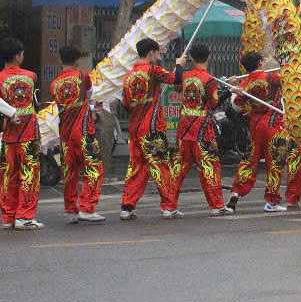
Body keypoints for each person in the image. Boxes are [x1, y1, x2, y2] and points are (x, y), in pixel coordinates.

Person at [120, 38, 183, 221]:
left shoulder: (129, 75)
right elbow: (176, 79)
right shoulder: (153, 70)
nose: (158, 56)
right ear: (151, 53)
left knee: (136, 168)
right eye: (157, 53)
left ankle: (127, 206)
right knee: (161, 166)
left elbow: (125, 104)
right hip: (152, 128)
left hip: (134, 128)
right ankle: (168, 207)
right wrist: (179, 65)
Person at [227, 52, 295, 213]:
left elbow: (237, 105)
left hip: (255, 124)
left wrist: (236, 88)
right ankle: (271, 201)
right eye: (263, 60)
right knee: (275, 162)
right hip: (273, 124)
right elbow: (289, 80)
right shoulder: (270, 77)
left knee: (249, 160)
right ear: (259, 63)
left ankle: (235, 193)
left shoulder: (245, 82)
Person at [49, 45, 105, 223]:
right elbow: (90, 95)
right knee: (94, 167)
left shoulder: (54, 84)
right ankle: (87, 208)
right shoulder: (82, 76)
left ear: (60, 60)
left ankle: (71, 209)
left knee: (70, 172)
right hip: (83, 132)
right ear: (77, 60)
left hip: (65, 134)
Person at [174, 44, 230, 215]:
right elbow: (214, 103)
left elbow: (176, 84)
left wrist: (178, 66)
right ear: (209, 56)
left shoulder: (184, 76)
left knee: (178, 169)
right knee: (210, 167)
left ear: (191, 57)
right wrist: (227, 91)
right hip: (203, 130)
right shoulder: (209, 80)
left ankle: (168, 206)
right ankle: (217, 205)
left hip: (184, 129)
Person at [0, 37, 42, 230]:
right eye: (22, 53)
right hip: (28, 133)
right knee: (30, 173)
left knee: (11, 174)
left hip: (9, 134)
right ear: (18, 55)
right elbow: (34, 105)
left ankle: (8, 217)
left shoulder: (0, 77)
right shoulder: (31, 76)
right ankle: (24, 216)